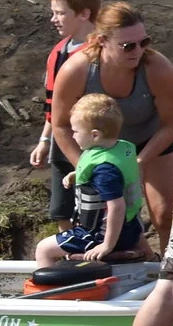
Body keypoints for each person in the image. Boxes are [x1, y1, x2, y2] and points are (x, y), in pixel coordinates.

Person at [51, 2, 173, 245]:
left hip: (150, 140)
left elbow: (172, 124)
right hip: (100, 147)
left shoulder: (158, 68)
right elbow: (60, 125)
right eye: (128, 45)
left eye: (144, 42)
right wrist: (85, 165)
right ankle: (125, 259)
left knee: (165, 214)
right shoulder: (76, 70)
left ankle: (170, 271)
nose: (138, 51)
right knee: (102, 215)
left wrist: (139, 162)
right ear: (102, 40)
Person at [36, 94, 142, 266]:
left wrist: (106, 245)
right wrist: (77, 175)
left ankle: (49, 293)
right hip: (132, 229)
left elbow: (116, 206)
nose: (73, 135)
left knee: (43, 249)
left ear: (94, 135)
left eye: (76, 131)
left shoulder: (105, 170)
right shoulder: (119, 148)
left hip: (99, 235)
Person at [32, 0, 100, 227]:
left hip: (94, 141)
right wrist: (44, 140)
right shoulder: (58, 51)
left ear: (84, 14)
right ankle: (70, 254)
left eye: (60, 13)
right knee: (63, 210)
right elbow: (53, 106)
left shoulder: (102, 50)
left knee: (96, 208)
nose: (54, 19)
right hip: (63, 143)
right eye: (53, 13)